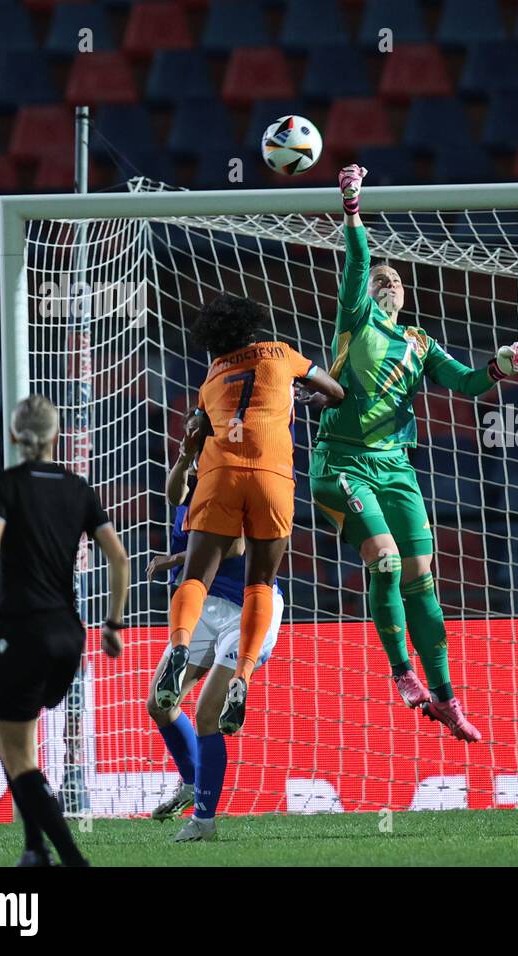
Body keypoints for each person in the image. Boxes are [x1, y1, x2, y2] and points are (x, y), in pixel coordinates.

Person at [301, 163, 518, 742]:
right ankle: (401, 671)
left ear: (407, 293)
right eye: (381, 278)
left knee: (423, 580)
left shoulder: (420, 343)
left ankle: (447, 699)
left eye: (396, 278)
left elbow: (466, 384)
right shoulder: (356, 319)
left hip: (396, 467)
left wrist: (500, 367)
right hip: (342, 460)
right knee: (382, 560)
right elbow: (357, 261)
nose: (388, 281)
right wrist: (352, 209)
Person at [0, 394, 129, 866]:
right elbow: (119, 558)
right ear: (56, 437)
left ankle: (71, 859)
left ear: (15, 436)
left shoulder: (0, 485)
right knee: (9, 736)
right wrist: (114, 624)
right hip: (69, 638)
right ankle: (33, 847)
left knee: (16, 752)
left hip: (22, 633)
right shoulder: (79, 488)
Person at [155, 294, 344, 736]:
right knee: (260, 580)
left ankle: (179, 646)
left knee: (195, 578)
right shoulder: (283, 353)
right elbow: (335, 391)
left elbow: (198, 428)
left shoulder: (212, 376)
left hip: (221, 473)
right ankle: (241, 675)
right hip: (272, 475)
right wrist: (306, 400)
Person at [146, 407, 284, 842]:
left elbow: (240, 545)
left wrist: (175, 560)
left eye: (193, 426)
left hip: (246, 608)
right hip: (205, 608)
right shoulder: (200, 470)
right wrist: (185, 458)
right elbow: (172, 496)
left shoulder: (233, 474)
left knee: (206, 713)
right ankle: (192, 780)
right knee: (159, 704)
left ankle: (203, 821)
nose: (185, 430)